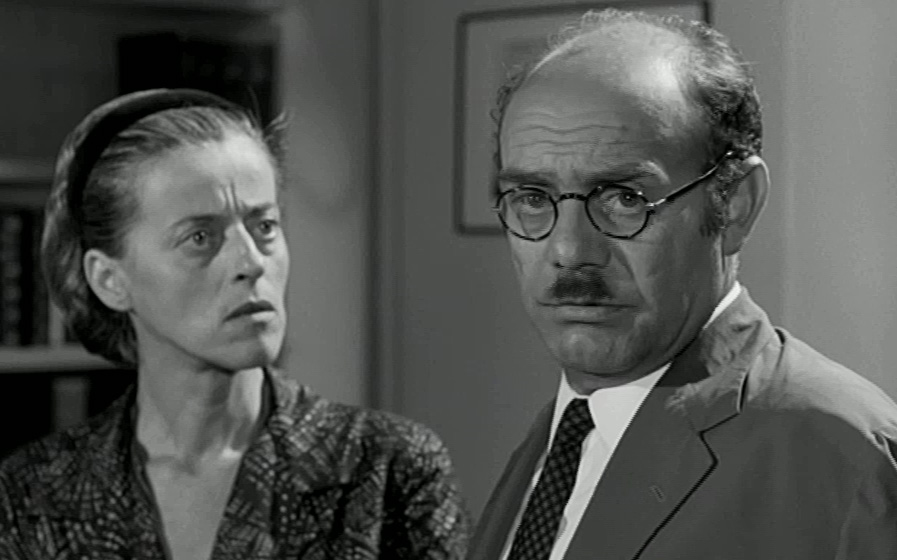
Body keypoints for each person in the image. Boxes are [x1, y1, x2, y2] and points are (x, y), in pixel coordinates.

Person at [468, 8, 897, 560]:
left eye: (624, 198)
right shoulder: (566, 431)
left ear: (735, 205)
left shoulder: (845, 459)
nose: (569, 251)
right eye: (532, 198)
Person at [0, 88, 469, 559]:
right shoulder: (34, 495)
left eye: (264, 227)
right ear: (110, 280)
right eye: (199, 237)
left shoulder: (388, 470)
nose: (251, 263)